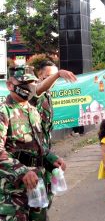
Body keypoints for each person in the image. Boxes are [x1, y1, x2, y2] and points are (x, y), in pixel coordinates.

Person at [0, 66, 66, 220]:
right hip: (13, 192)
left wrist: (51, 158)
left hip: (37, 188)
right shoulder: (4, 112)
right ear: (10, 85)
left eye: (32, 83)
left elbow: (38, 144)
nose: (29, 87)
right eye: (24, 83)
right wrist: (22, 171)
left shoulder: (32, 110)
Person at [30, 60, 77, 149]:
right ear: (40, 74)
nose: (53, 80)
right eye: (50, 76)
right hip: (34, 145)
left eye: (55, 78)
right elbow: (40, 88)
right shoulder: (35, 89)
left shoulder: (47, 93)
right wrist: (58, 74)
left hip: (44, 145)